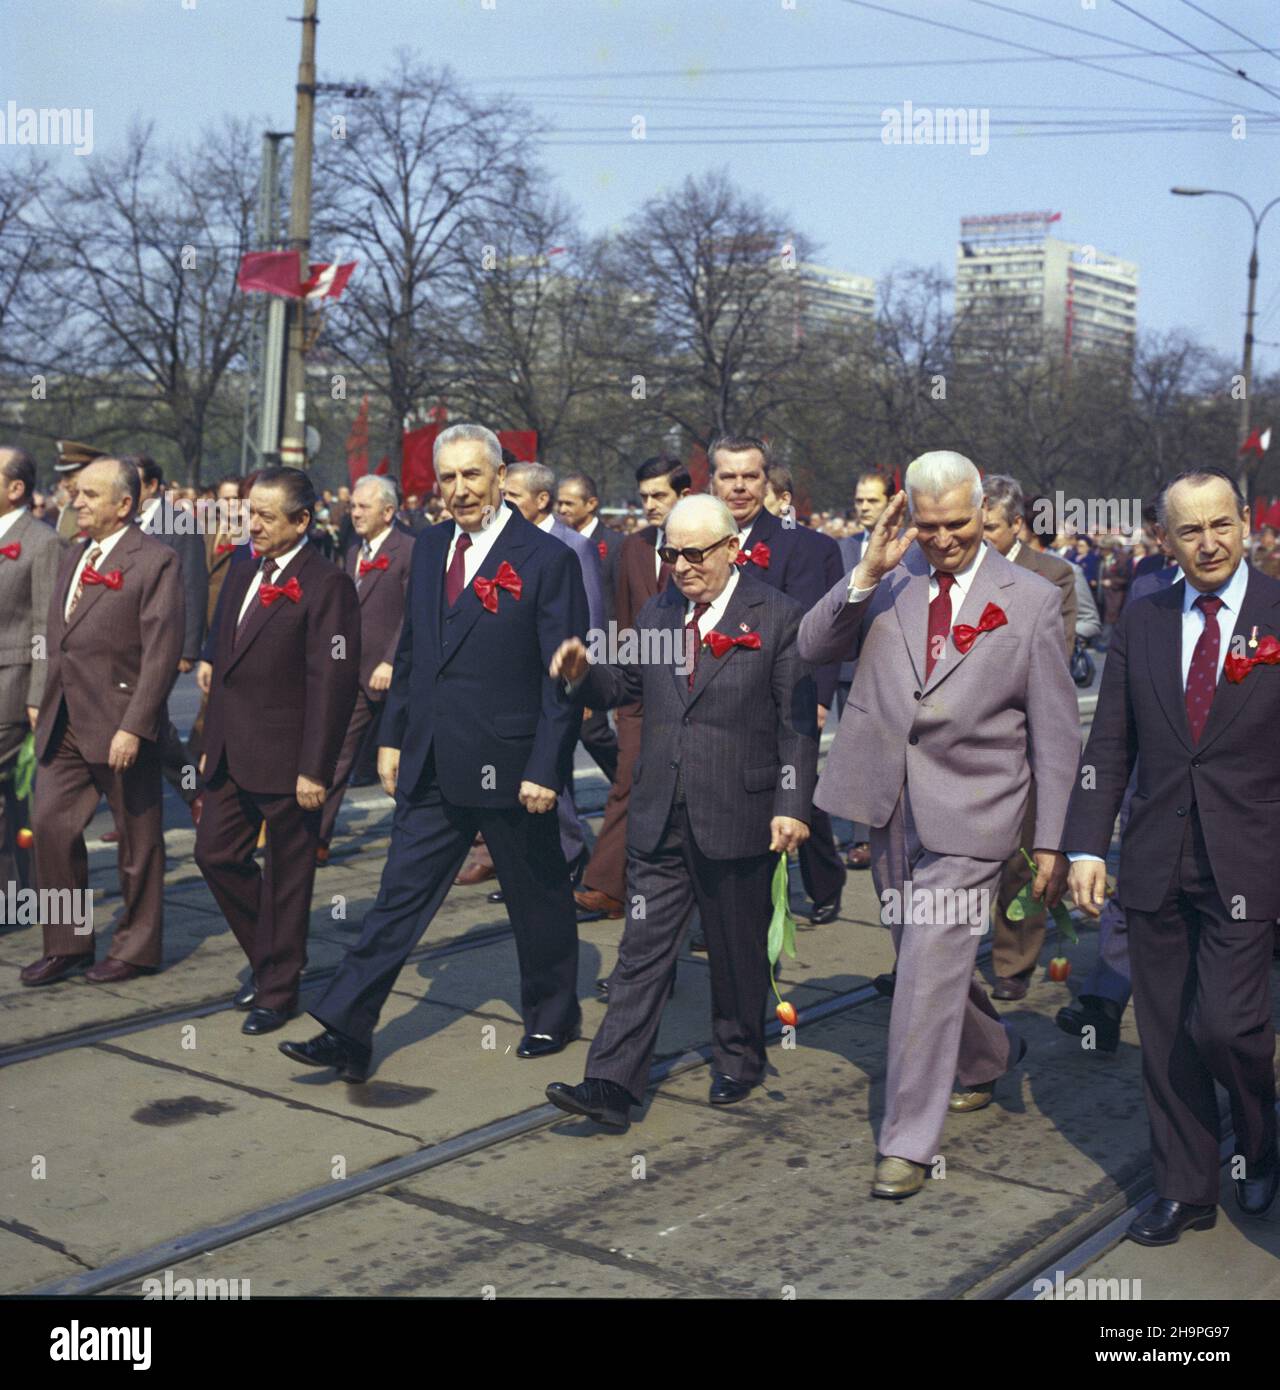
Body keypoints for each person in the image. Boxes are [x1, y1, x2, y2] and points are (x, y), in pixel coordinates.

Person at [798, 451, 1080, 1200]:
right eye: (929, 527)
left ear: (983, 512)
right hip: (887, 806)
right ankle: (989, 1053)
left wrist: (1051, 838)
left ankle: (907, 1142)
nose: (944, 540)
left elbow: (1056, 732)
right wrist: (865, 571)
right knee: (928, 962)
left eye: (958, 524)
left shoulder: (1032, 598)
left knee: (921, 974)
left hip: (974, 816)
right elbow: (810, 648)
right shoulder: (889, 578)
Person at [279, 425, 587, 1083]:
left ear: (500, 477)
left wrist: (545, 768)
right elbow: (413, 651)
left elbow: (563, 677)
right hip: (431, 761)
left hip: (510, 764)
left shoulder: (546, 559)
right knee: (396, 898)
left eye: (471, 476)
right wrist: (392, 736)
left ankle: (553, 1014)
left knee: (536, 897)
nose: (459, 491)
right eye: (447, 479)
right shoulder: (427, 551)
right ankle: (348, 1029)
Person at [545, 494, 817, 1129]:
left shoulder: (778, 617)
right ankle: (609, 1085)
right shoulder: (660, 611)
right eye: (672, 554)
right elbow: (624, 685)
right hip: (659, 811)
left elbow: (796, 726)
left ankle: (740, 1057)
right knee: (641, 952)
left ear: (733, 550)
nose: (682, 566)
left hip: (740, 812)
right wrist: (582, 675)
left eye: (696, 554)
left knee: (736, 950)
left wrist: (792, 805)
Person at [1065, 466, 1280, 1245]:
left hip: (1250, 860)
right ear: (1165, 540)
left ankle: (1259, 1140)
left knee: (1227, 1026)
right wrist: (1088, 844)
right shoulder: (1145, 622)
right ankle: (1184, 1187)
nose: (1209, 542)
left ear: (1247, 523)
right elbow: (1110, 743)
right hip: (1157, 857)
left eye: (1221, 524)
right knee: (1163, 1035)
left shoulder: (1274, 613)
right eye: (1189, 530)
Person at [194, 467, 361, 1035]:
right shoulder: (244, 567)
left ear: (302, 522)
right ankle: (272, 958)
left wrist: (316, 767)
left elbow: (332, 684)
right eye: (248, 512)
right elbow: (224, 664)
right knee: (214, 856)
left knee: (290, 875)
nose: (252, 523)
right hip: (229, 752)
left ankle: (278, 989)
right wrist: (206, 743)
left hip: (291, 761)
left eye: (265, 515)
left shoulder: (328, 583)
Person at [21, 458, 184, 986]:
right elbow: (55, 637)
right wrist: (38, 697)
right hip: (63, 719)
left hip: (119, 724)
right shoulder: (73, 554)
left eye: (91, 494)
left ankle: (136, 949)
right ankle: (67, 944)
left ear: (124, 505)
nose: (78, 501)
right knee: (50, 825)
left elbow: (161, 653)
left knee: (138, 842)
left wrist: (134, 726)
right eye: (76, 493)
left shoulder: (156, 560)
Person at [711, 436, 845, 926]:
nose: (740, 487)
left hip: (782, 701)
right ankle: (728, 913)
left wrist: (817, 699)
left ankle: (823, 881)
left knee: (796, 794)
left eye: (750, 476)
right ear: (712, 482)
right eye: (729, 476)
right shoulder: (694, 543)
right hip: (714, 707)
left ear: (767, 482)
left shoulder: (803, 546)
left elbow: (819, 633)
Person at [454, 459, 603, 890]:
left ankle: (568, 861)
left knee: (554, 777)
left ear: (542, 500)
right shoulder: (495, 540)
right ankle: (510, 862)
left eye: (515, 495)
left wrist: (584, 685)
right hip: (507, 690)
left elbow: (590, 621)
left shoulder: (572, 546)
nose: (506, 501)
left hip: (555, 681)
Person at [574, 454, 690, 922]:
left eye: (659, 495)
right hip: (641, 691)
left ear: (684, 494)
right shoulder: (634, 548)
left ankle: (697, 905)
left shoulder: (708, 541)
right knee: (627, 781)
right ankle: (607, 886)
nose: (649, 505)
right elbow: (621, 621)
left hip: (694, 691)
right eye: (643, 496)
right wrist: (612, 687)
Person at [980, 474, 1078, 1001]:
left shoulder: (1052, 576)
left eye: (989, 528)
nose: (977, 537)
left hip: (1022, 734)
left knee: (1023, 857)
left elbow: (1052, 660)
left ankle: (1013, 961)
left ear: (1016, 524)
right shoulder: (955, 570)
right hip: (964, 739)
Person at [316, 474, 413, 862]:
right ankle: (316, 838)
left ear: (388, 512)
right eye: (353, 506)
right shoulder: (355, 549)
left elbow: (413, 614)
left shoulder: (410, 550)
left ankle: (414, 843)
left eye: (363, 507)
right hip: (354, 672)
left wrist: (391, 659)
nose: (354, 513)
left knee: (404, 763)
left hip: (396, 675)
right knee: (336, 754)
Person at [130, 455, 209, 827]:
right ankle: (131, 808)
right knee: (137, 725)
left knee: (152, 726)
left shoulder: (179, 525)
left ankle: (194, 790)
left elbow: (193, 586)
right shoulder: (126, 521)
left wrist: (189, 649)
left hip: (165, 642)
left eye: (134, 482)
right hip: (128, 643)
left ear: (153, 486)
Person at [0, 447, 62, 894]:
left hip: (11, 686)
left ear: (14, 488)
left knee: (14, 795)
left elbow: (46, 625)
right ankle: (19, 893)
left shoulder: (41, 541)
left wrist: (39, 695)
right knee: (12, 800)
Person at [836, 470, 895, 871]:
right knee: (855, 749)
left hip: (892, 665)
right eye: (859, 501)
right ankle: (862, 837)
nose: (863, 508)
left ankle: (895, 829)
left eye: (872, 501)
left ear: (891, 502)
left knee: (892, 748)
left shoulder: (911, 548)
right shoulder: (840, 549)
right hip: (848, 665)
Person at [556, 470, 621, 785]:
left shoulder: (616, 545)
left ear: (591, 504)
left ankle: (628, 784)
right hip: (566, 653)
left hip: (603, 653)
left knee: (593, 732)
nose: (563, 510)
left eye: (569, 503)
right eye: (559, 503)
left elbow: (616, 608)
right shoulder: (555, 540)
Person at [52, 439, 104, 542]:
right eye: (63, 477)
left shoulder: (108, 508)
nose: (64, 484)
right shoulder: (69, 510)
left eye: (69, 476)